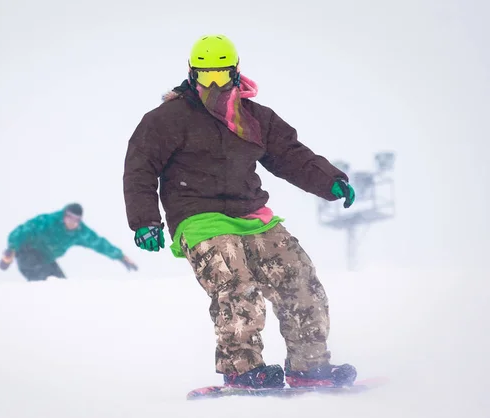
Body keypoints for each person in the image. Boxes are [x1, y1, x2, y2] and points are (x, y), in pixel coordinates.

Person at [123, 35, 358, 389]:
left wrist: (330, 181)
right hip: (198, 215)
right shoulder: (168, 119)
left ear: (235, 73)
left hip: (251, 214)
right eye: (204, 76)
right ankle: (242, 370)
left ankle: (309, 367)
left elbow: (290, 155)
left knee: (299, 278)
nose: (212, 85)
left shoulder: (254, 118)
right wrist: (145, 221)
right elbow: (140, 167)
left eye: (220, 75)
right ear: (191, 74)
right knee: (236, 285)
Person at [0, 203, 137, 281]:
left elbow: (99, 243)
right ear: (64, 215)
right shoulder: (48, 222)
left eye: (76, 220)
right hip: (27, 254)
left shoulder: (79, 232)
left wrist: (120, 256)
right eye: (70, 217)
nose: (72, 222)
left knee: (62, 286)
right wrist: (11, 249)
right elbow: (21, 231)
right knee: (45, 285)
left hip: (46, 260)